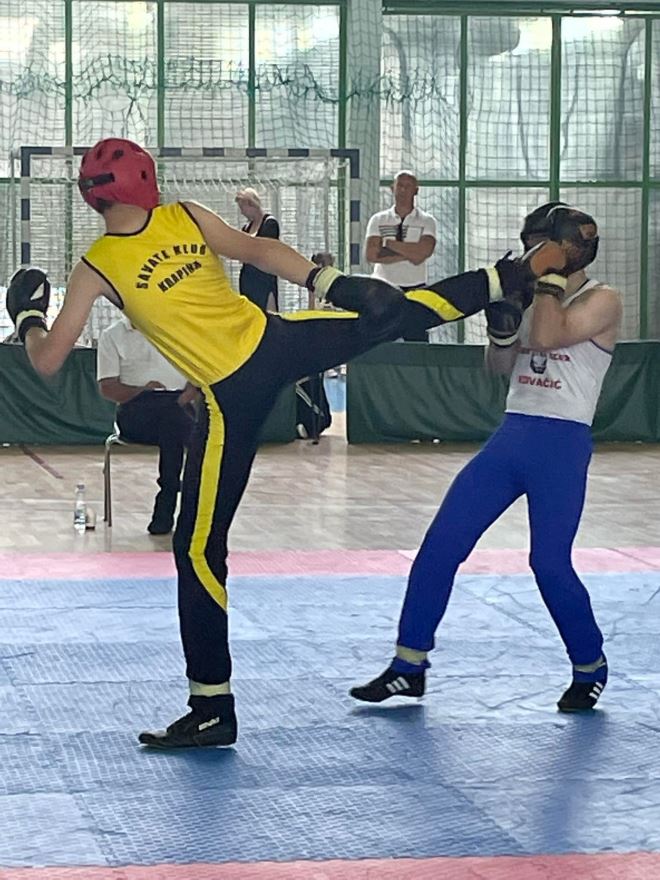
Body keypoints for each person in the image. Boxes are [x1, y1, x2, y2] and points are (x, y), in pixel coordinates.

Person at [6, 138, 568, 749]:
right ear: (145, 180)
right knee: (390, 314)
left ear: (91, 197)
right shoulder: (175, 219)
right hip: (272, 348)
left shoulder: (100, 263)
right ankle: (511, 277)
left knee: (198, 551)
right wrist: (332, 282)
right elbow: (261, 250)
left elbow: (48, 358)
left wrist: (29, 319)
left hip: (235, 388)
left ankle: (211, 706)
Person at [351, 202, 622, 713]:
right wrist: (501, 331)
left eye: (542, 247)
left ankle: (590, 665)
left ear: (570, 248)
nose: (532, 256)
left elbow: (548, 336)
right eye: (531, 247)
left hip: (561, 445)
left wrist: (544, 285)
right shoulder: (536, 294)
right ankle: (409, 665)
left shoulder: (603, 298)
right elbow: (498, 366)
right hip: (513, 435)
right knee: (439, 547)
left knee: (549, 563)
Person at [97, 315, 197, 535]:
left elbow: (199, 377)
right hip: (137, 408)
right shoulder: (113, 335)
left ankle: (168, 500)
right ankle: (182, 504)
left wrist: (186, 395)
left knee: (173, 422)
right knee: (181, 427)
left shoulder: (181, 329)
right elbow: (108, 388)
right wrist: (142, 390)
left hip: (178, 403)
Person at [364, 170, 437, 341]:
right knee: (380, 339)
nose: (403, 190)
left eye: (408, 186)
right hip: (382, 288)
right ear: (392, 188)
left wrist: (388, 244)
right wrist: (411, 252)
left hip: (415, 289)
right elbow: (371, 254)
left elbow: (423, 253)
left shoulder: (427, 221)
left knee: (416, 339)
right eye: (400, 186)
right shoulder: (378, 219)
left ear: (416, 190)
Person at [236, 188, 279, 311]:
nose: (242, 212)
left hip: (264, 279)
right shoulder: (246, 228)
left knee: (268, 313)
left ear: (251, 204)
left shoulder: (269, 224)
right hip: (248, 280)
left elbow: (264, 250)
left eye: (242, 208)